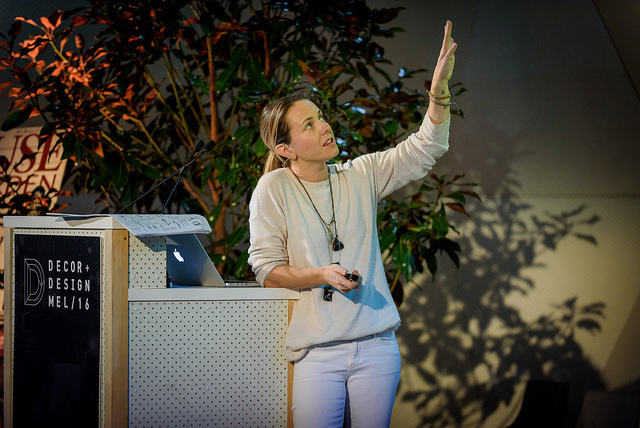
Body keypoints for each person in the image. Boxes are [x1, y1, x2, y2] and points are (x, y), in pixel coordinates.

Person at [248, 20, 458, 428]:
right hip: (317, 351)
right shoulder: (273, 188)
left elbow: (426, 147)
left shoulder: (359, 175)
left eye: (320, 117)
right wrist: (322, 274)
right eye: (309, 124)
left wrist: (439, 92)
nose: (324, 125)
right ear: (285, 149)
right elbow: (267, 271)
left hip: (377, 346)